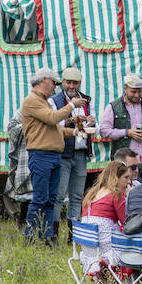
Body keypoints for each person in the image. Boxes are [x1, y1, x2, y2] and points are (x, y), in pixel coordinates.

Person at [20, 68, 76, 244]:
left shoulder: (43, 101)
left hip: (52, 155)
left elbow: (56, 128)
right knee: (40, 198)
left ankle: (47, 237)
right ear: (44, 80)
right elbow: (53, 119)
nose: (55, 87)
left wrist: (76, 132)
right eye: (54, 83)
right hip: (41, 155)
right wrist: (72, 105)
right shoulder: (32, 101)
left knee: (50, 200)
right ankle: (29, 237)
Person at [51, 66, 95, 232]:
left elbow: (92, 124)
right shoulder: (55, 101)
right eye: (68, 82)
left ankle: (74, 234)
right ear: (62, 83)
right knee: (59, 195)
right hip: (63, 152)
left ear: (80, 83)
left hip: (81, 152)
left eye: (75, 83)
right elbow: (55, 125)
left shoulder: (86, 100)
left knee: (77, 195)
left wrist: (91, 122)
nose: (71, 86)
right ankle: (53, 232)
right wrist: (73, 120)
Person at [78, 159, 130, 276]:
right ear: (116, 177)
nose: (129, 182)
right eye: (126, 178)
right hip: (107, 249)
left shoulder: (91, 194)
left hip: (89, 250)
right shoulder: (115, 194)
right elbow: (127, 223)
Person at [98, 72, 142, 160]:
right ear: (125, 88)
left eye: (139, 91)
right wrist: (127, 132)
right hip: (123, 160)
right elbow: (104, 131)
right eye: (133, 92)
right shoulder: (113, 106)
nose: (137, 95)